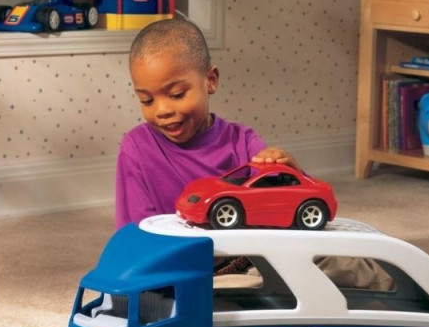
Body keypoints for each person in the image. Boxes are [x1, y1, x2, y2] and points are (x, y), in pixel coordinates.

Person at [115, 17, 299, 228]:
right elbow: (135, 231)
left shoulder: (244, 142)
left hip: (236, 247)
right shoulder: (137, 147)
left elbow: (282, 211)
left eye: (177, 94)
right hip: (171, 248)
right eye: (147, 100)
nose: (162, 111)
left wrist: (290, 174)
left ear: (210, 81)